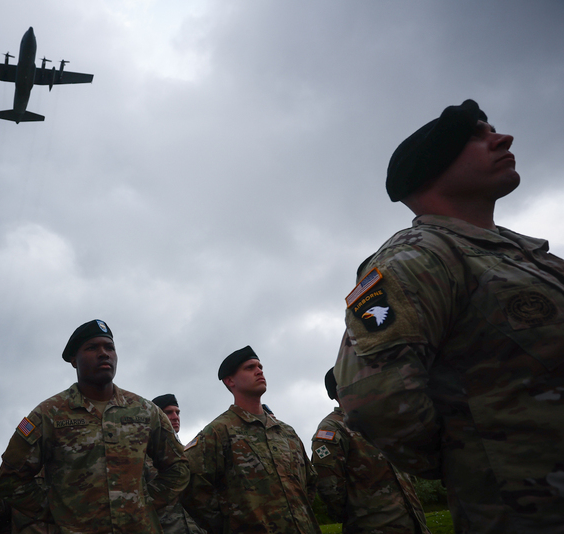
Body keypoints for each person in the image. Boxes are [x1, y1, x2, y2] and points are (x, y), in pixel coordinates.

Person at [333, 99, 564, 533]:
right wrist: (472, 462)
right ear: (431, 169)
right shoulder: (421, 258)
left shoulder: (537, 259)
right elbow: (375, 400)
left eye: (491, 129)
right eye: (475, 136)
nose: (503, 137)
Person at [0, 319, 189, 533]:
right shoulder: (48, 414)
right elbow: (9, 480)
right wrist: (60, 510)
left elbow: (178, 468)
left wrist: (143, 502)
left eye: (110, 348)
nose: (104, 353)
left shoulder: (145, 411)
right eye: (92, 347)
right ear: (74, 360)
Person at [182, 346, 321, 533]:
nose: (259, 371)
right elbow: (192, 489)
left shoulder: (286, 431)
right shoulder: (218, 432)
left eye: (260, 366)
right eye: (250, 367)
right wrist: (231, 524)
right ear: (230, 380)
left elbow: (309, 481)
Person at [312, 369, 429, 534]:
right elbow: (328, 484)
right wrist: (355, 515)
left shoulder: (380, 421)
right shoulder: (332, 428)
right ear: (340, 389)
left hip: (413, 524)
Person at [149, 394, 204, 534]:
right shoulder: (144, 456)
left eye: (177, 412)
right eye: (168, 412)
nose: (175, 417)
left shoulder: (186, 454)